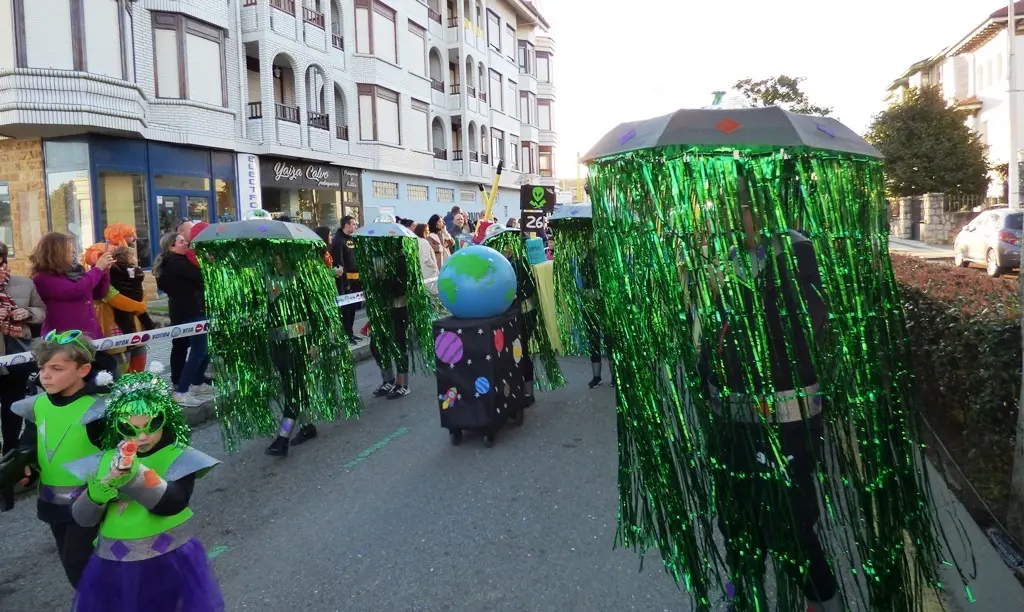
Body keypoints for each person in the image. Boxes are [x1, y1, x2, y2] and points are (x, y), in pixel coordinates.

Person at [701, 202, 838, 612]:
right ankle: (743, 593)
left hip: (788, 421)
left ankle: (822, 599)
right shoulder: (729, 259)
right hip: (732, 419)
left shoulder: (797, 253)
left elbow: (805, 325)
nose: (729, 214)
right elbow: (717, 335)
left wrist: (743, 300)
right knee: (736, 517)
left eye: (740, 203)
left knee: (790, 522)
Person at [65, 366, 223, 611]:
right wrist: (103, 486)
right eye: (130, 429)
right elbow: (82, 519)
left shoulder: (179, 457)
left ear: (166, 419)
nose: (142, 437)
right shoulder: (103, 460)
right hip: (114, 561)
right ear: (115, 425)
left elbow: (173, 503)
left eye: (152, 425)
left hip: (168, 557)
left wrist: (135, 474)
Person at [9, 330, 112, 587]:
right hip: (52, 502)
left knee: (81, 565)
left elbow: (118, 453)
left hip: (91, 503)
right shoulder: (39, 404)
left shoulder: (99, 408)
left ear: (83, 369)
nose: (45, 375)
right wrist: (25, 466)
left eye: (56, 368)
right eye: (42, 367)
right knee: (71, 564)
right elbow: (31, 442)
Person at [0, 241, 45, 454]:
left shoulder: (24, 284)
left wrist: (28, 313)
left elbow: (41, 311)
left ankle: (10, 451)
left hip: (16, 355)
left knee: (13, 406)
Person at [155, 232, 209, 407]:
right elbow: (200, 276)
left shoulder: (173, 262)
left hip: (185, 311)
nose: (186, 243)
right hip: (191, 312)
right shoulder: (177, 264)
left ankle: (197, 382)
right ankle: (181, 391)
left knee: (204, 350)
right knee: (199, 351)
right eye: (181, 241)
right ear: (172, 247)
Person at [30, 232, 112, 339]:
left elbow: (98, 293)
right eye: (69, 249)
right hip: (65, 340)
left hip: (90, 334)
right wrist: (98, 269)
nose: (73, 252)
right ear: (56, 253)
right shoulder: (42, 278)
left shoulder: (74, 272)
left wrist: (104, 271)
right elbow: (77, 290)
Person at [331, 216, 360, 345]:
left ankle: (351, 332)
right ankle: (346, 334)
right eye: (353, 224)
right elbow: (340, 263)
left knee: (353, 309)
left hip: (356, 280)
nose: (355, 226)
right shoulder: (338, 241)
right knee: (346, 310)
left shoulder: (353, 238)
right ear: (346, 225)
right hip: (346, 282)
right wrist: (346, 283)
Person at [413, 223, 440, 288]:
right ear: (422, 231)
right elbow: (426, 259)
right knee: (432, 293)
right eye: (427, 230)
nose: (428, 232)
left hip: (420, 271)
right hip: (428, 273)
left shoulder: (415, 240)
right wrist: (434, 266)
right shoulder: (424, 242)